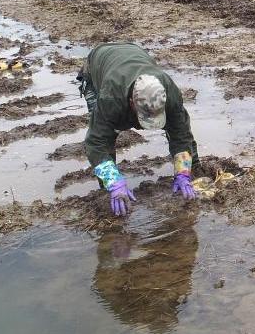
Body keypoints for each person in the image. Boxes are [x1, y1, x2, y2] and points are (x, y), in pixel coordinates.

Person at [77, 42, 199, 216]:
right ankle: (110, 193)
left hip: (134, 52)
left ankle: (190, 176)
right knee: (104, 134)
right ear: (131, 103)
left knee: (181, 131)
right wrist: (112, 182)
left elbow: (181, 134)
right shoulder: (110, 97)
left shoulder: (169, 93)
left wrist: (184, 171)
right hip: (98, 62)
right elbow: (96, 142)